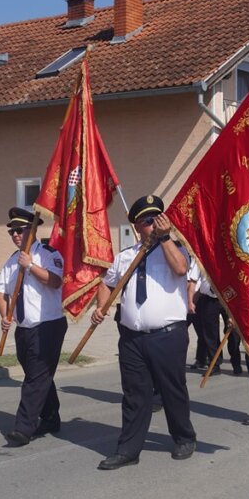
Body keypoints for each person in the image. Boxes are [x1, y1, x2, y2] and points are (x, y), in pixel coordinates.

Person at [90, 195, 197, 469]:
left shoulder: (175, 249)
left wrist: (163, 239)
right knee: (135, 394)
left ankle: (184, 437)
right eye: (148, 221)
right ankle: (128, 450)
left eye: (157, 218)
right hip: (132, 337)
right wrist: (101, 307)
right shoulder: (126, 256)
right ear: (137, 226)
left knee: (172, 389)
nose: (154, 224)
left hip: (167, 335)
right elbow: (107, 283)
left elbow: (181, 269)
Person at [0, 208, 68, 447]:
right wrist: (6, 314)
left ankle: (23, 428)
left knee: (35, 378)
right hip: (24, 327)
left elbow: (55, 281)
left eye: (19, 230)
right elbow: (0, 292)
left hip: (48, 326)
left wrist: (30, 267)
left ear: (32, 230)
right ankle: (50, 416)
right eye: (11, 231)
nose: (15, 235)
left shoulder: (47, 254)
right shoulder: (11, 261)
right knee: (38, 375)